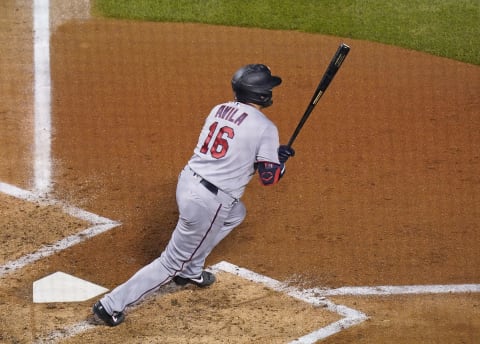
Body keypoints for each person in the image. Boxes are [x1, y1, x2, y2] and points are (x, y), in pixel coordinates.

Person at [92, 64, 295, 326]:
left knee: (236, 214)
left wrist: (272, 157)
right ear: (260, 94)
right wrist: (280, 163)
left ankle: (191, 270)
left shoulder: (219, 109)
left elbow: (239, 151)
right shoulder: (265, 127)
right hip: (209, 201)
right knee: (170, 263)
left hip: (188, 182)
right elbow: (269, 178)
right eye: (268, 87)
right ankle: (109, 306)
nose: (270, 91)